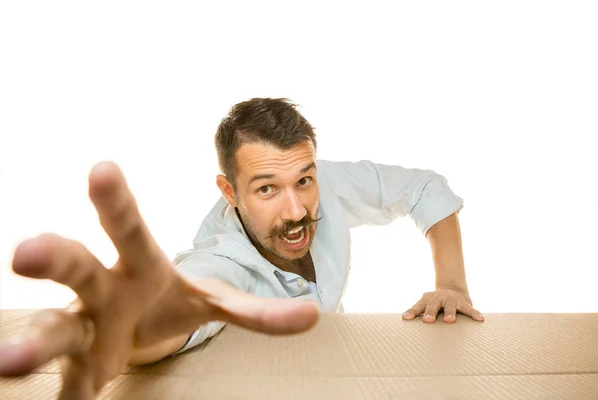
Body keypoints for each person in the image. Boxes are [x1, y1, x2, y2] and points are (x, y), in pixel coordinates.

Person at [0, 98, 483, 399]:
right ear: (229, 193)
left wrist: (452, 284)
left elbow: (424, 188)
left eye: (304, 180)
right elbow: (184, 303)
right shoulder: (222, 262)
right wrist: (122, 329)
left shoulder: (327, 182)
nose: (296, 210)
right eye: (267, 189)